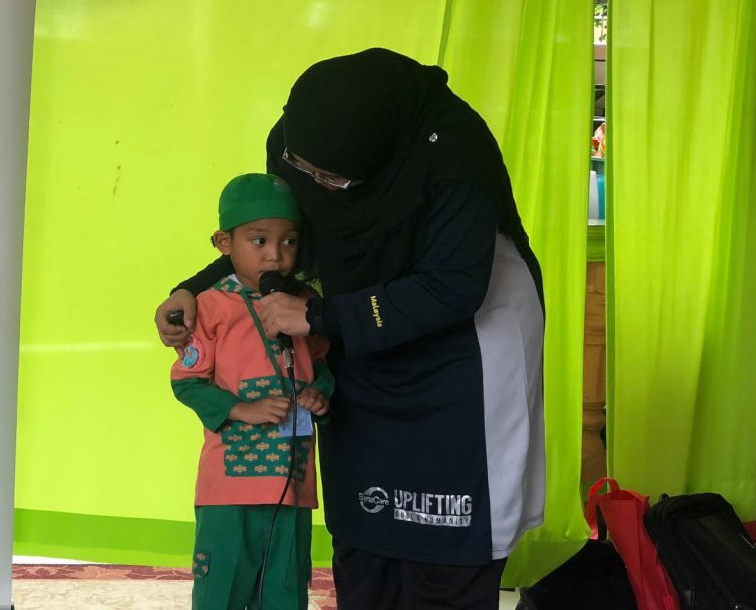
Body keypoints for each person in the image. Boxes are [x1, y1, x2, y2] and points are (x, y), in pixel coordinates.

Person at [156, 48, 545, 610]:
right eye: (307, 171)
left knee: (447, 550)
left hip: (466, 354)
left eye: (332, 179)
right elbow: (277, 241)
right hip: (359, 342)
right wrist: (192, 288)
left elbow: (454, 287)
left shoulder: (455, 153)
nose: (314, 184)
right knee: (367, 537)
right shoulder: (295, 143)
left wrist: (322, 317)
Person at [170, 173, 335, 610]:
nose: (275, 255)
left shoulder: (307, 304)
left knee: (286, 592)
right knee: (221, 592)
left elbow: (321, 364)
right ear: (224, 243)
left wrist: (319, 393)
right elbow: (186, 381)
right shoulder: (209, 306)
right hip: (229, 491)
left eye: (289, 242)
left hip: (293, 484)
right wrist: (243, 409)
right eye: (258, 241)